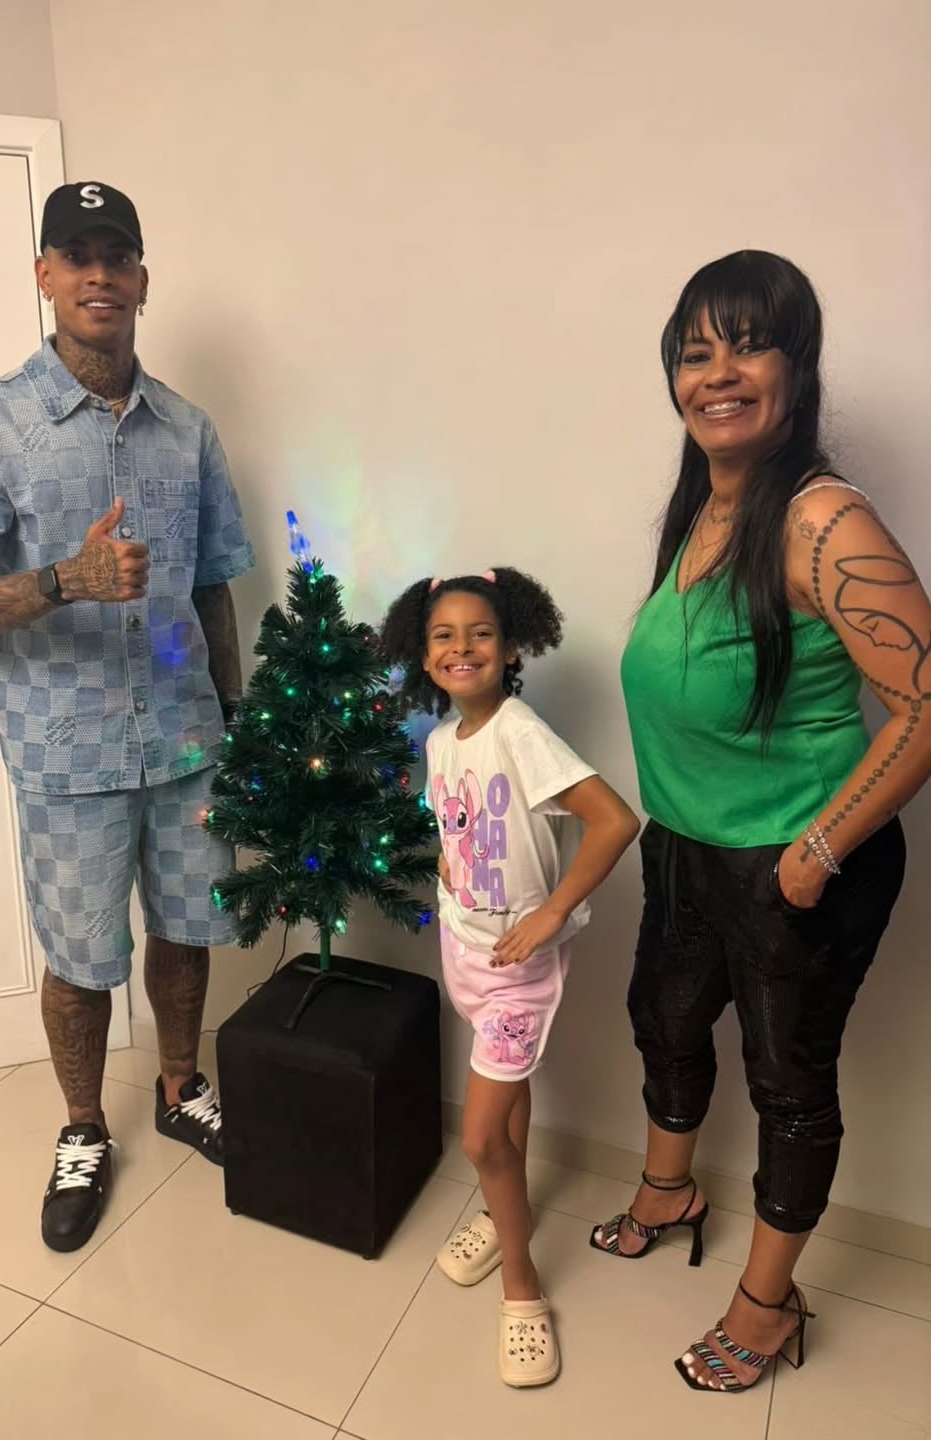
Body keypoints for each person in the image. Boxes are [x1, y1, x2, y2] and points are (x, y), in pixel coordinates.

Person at [597, 250, 929, 1392]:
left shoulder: (823, 521)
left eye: (749, 345)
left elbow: (925, 705)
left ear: (799, 367)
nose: (719, 373)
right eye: (696, 354)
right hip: (686, 846)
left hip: (794, 863)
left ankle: (768, 1305)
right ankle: (668, 1192)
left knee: (788, 1085)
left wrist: (816, 853)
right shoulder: (706, 508)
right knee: (664, 1020)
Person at [0, 182, 256, 1253]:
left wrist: (236, 715)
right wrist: (65, 579)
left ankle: (181, 1085)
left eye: (119, 255)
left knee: (188, 929)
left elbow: (212, 588)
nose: (100, 273)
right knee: (81, 955)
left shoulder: (188, 431)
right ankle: (84, 1126)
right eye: (77, 254)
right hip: (67, 754)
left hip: (188, 741)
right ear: (46, 275)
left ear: (144, 279)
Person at [381, 569, 639, 1387]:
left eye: (481, 633)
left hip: (520, 971)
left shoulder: (521, 730)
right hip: (465, 952)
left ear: (513, 647)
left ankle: (523, 1289)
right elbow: (463, 827)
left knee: (481, 1136)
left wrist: (554, 911)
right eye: (444, 636)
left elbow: (614, 820)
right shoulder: (439, 742)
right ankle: (506, 1216)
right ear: (424, 655)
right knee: (511, 1100)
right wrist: (452, 876)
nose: (462, 648)